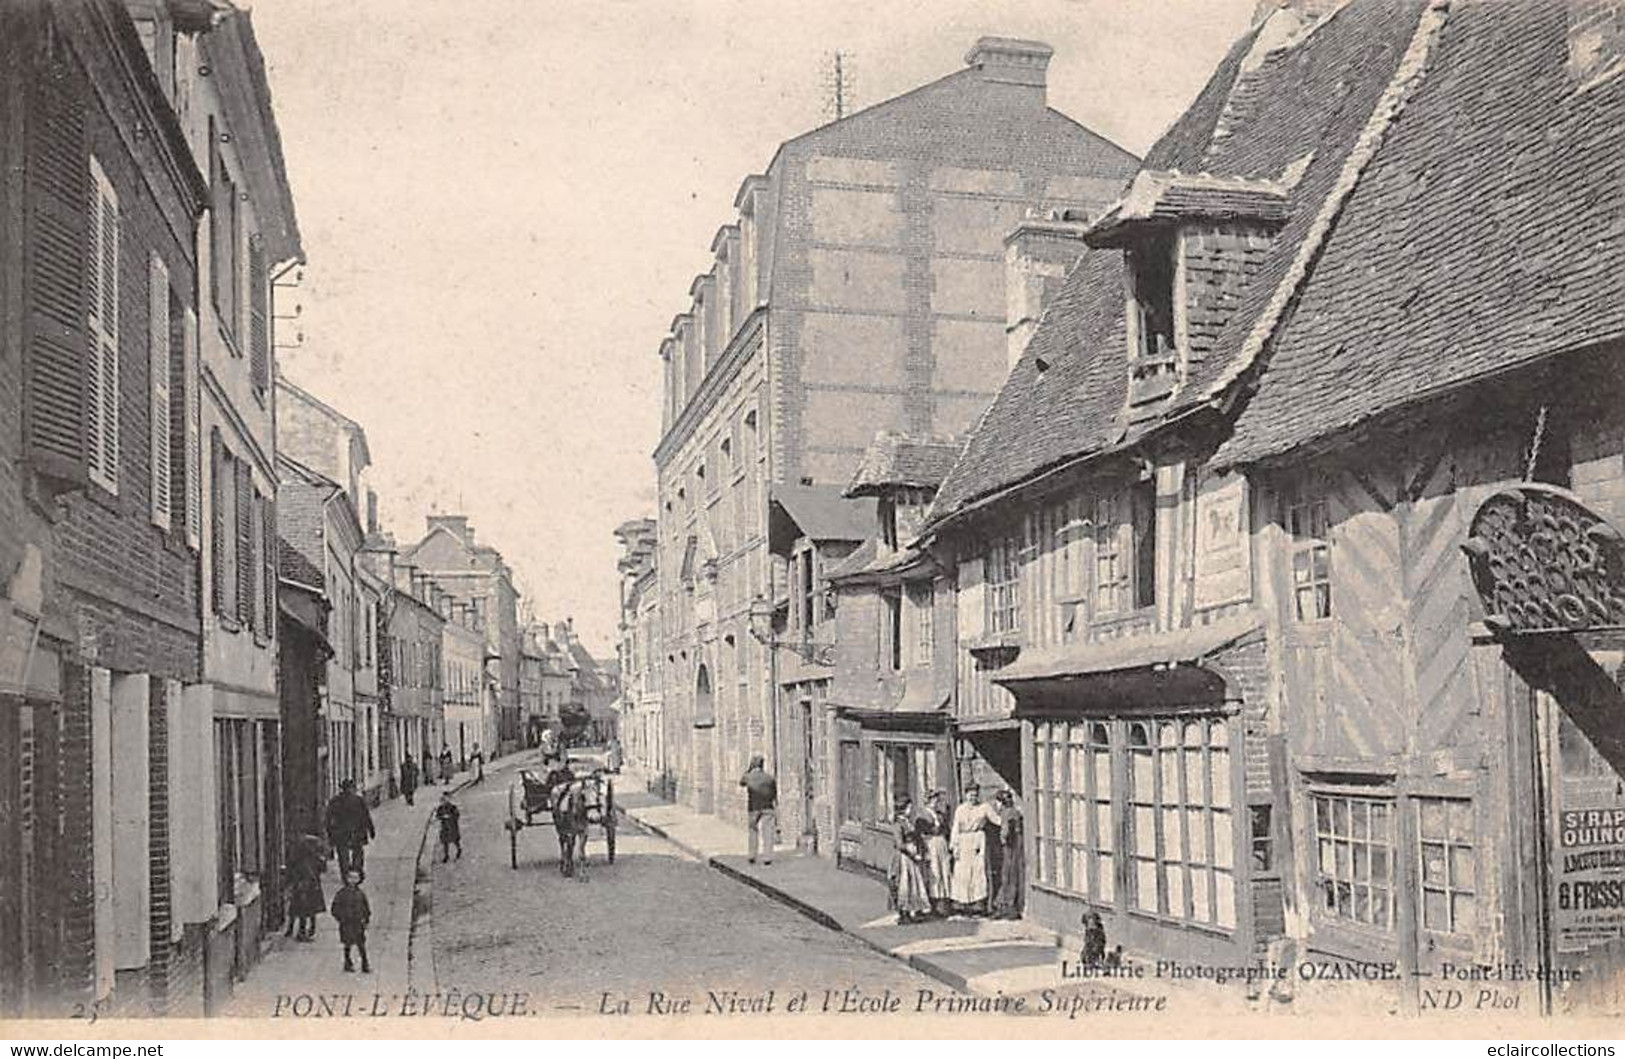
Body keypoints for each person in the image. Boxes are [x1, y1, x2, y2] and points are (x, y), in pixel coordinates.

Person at [949, 783, 997, 915]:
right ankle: (963, 904)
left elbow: (996, 820)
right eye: (970, 795)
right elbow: (955, 828)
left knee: (977, 871)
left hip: (977, 840)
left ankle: (978, 903)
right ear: (966, 795)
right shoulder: (960, 809)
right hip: (963, 841)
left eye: (975, 795)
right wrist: (954, 847)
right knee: (962, 872)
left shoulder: (984, 807)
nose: (972, 797)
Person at [887, 796, 932, 925]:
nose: (910, 810)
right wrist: (913, 854)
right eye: (909, 807)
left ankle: (911, 910)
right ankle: (903, 913)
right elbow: (900, 844)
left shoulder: (907, 822)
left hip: (911, 857)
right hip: (903, 858)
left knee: (913, 884)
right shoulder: (897, 825)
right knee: (903, 884)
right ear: (903, 809)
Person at [325, 778, 375, 877]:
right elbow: (366, 816)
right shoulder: (358, 800)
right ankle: (357, 870)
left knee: (343, 853)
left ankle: (345, 873)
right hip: (357, 831)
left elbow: (328, 818)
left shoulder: (335, 801)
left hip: (341, 832)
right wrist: (371, 830)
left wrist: (330, 832)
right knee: (357, 851)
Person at [282, 833, 325, 942]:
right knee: (306, 910)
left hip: (301, 885)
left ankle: (292, 930)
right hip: (308, 886)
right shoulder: (312, 858)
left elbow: (292, 870)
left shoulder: (298, 858)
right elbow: (320, 869)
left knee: (297, 909)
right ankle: (303, 932)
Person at [330, 868, 371, 973]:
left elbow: (365, 907)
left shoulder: (360, 894)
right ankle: (347, 963)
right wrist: (341, 918)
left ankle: (365, 964)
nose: (353, 880)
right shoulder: (342, 893)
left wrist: (366, 919)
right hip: (347, 923)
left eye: (355, 878)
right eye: (351, 877)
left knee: (361, 944)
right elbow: (334, 908)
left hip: (358, 923)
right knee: (347, 944)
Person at [992, 789, 1025, 919]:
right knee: (1012, 874)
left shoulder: (1007, 813)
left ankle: (1007, 906)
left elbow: (1006, 832)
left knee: (1008, 875)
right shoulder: (1015, 812)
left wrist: (1003, 839)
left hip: (1010, 847)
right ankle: (1008, 904)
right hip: (1017, 845)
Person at [739, 754, 777, 865]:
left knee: (753, 831)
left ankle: (752, 855)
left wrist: (748, 770)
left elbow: (741, 783)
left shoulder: (748, 777)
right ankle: (767, 857)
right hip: (768, 807)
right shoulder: (769, 777)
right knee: (768, 832)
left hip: (753, 808)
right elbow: (774, 793)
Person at [920, 790, 952, 916]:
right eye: (933, 800)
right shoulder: (922, 816)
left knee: (944, 871)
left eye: (936, 800)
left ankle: (944, 902)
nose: (936, 802)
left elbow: (945, 828)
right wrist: (924, 850)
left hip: (941, 844)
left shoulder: (939, 814)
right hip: (931, 844)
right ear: (927, 801)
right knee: (935, 873)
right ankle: (934, 903)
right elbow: (921, 833)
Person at [434, 791, 462, 862]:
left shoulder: (453, 807)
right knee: (445, 841)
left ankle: (459, 849)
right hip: (444, 826)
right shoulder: (440, 808)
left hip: (452, 826)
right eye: (443, 799)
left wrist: (450, 817)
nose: (444, 801)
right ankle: (446, 855)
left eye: (446, 799)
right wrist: (441, 817)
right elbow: (437, 816)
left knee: (455, 840)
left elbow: (457, 815)